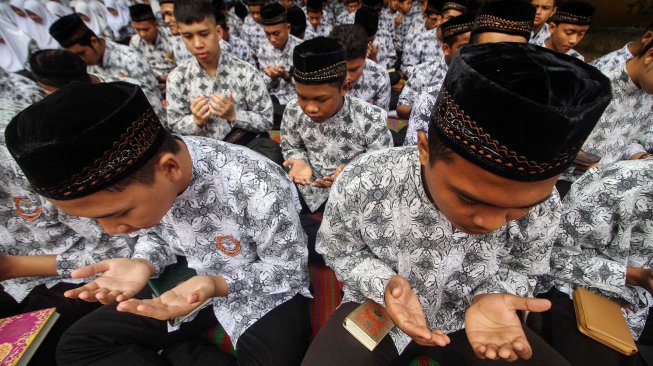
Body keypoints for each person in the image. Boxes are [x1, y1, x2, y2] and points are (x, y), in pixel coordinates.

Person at [301, 41, 613, 366]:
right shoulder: (366, 178)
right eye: (468, 198)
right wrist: (385, 284)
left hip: (479, 320)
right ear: (425, 149)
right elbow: (340, 249)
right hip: (382, 307)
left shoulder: (546, 206)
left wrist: (490, 295)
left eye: (517, 209)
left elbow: (524, 267)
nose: (489, 223)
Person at [5, 78, 312, 366]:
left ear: (170, 169)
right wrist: (144, 262)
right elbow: (159, 236)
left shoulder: (256, 182)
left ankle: (176, 352)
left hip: (252, 285)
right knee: (77, 345)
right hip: (181, 278)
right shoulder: (150, 182)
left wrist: (215, 284)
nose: (111, 231)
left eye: (118, 213)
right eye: (96, 219)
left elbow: (287, 270)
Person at [0, 97, 133, 366]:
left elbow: (121, 247)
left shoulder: (29, 162)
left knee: (49, 349)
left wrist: (15, 266)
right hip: (16, 282)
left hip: (78, 275)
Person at [531, 160, 653, 366]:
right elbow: (549, 255)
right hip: (577, 290)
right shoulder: (616, 184)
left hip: (640, 304)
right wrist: (634, 276)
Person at [281, 36, 392, 215]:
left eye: (321, 99)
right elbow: (291, 145)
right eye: (302, 97)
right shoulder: (293, 110)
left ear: (345, 87)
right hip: (308, 189)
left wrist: (350, 173)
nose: (310, 108)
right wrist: (299, 161)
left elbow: (382, 164)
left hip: (354, 195)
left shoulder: (371, 117)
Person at [403, 0, 534, 146]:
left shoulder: (540, 106)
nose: (501, 61)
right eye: (490, 50)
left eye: (514, 52)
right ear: (472, 50)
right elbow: (416, 156)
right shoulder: (435, 97)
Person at [166, 0, 282, 165]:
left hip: (247, 151)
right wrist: (196, 120)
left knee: (272, 155)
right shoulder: (178, 78)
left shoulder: (245, 71)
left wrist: (234, 115)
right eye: (188, 36)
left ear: (218, 32)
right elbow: (175, 125)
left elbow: (266, 120)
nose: (197, 44)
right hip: (205, 159)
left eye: (204, 34)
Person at [561, 40, 653, 185]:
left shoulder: (648, 96)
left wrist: (643, 158)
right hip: (566, 181)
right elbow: (557, 140)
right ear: (650, 56)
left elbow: (630, 141)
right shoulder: (594, 83)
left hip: (610, 182)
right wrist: (595, 168)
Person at [49, 14, 163, 118]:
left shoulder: (130, 59)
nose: (80, 61)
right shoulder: (86, 67)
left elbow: (154, 100)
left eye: (81, 53)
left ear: (93, 41)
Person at [29, 49, 165, 122]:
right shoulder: (63, 118)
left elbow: (163, 127)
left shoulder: (129, 90)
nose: (46, 94)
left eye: (46, 89)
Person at [396, 12, 473, 121]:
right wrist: (425, 109)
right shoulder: (424, 71)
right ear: (446, 49)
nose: (470, 52)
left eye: (474, 46)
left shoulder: (477, 76)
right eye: (464, 47)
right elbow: (402, 108)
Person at [257, 3, 303, 126]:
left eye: (276, 33)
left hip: (297, 101)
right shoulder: (262, 50)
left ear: (288, 28)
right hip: (274, 101)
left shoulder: (301, 48)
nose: (272, 39)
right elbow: (262, 86)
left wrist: (287, 76)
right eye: (267, 34)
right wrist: (272, 78)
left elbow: (307, 83)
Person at [330, 24, 390, 110]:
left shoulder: (380, 77)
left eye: (353, 69)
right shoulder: (318, 73)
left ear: (365, 56)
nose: (346, 77)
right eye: (340, 69)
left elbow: (380, 119)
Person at [128, 4, 181, 95]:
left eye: (146, 29)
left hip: (176, 85)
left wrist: (165, 79)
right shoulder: (135, 42)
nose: (142, 34)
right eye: (137, 30)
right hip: (150, 88)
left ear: (156, 24)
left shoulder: (172, 38)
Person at [400, 0, 444, 79]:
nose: (437, 24)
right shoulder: (416, 35)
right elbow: (406, 67)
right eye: (434, 19)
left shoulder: (446, 38)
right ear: (425, 16)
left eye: (440, 20)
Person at [354, 5, 396, 69]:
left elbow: (392, 58)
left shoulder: (385, 35)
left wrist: (374, 61)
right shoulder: (350, 41)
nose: (368, 41)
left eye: (370, 39)